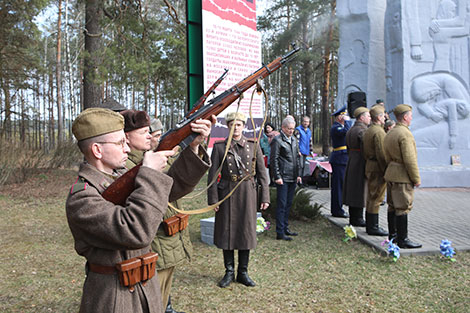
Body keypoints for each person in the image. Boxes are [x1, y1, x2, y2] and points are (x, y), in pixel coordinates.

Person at [66, 108, 212, 313]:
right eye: (119, 143)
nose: (127, 148)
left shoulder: (122, 176)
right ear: (97, 150)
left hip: (147, 290)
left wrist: (193, 148)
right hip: (113, 298)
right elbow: (136, 231)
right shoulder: (82, 197)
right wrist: (150, 174)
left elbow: (170, 190)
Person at [120, 110, 193, 313]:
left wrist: (193, 145)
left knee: (160, 302)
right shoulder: (127, 166)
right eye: (143, 131)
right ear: (126, 136)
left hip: (167, 244)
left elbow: (175, 183)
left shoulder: (149, 157)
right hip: (154, 247)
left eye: (149, 131)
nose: (150, 135)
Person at [207, 111, 270, 288]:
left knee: (245, 231)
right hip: (226, 192)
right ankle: (229, 272)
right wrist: (213, 199)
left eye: (239, 125)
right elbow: (212, 176)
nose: (236, 128)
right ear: (227, 127)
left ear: (244, 126)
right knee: (227, 231)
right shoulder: (220, 148)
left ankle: (243, 272)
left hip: (247, 193)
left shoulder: (253, 145)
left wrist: (264, 196)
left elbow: (262, 174)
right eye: (232, 125)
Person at [384, 104, 422, 249]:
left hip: (391, 173)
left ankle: (392, 236)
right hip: (402, 176)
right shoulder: (405, 134)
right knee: (403, 207)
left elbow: (386, 154)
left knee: (392, 206)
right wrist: (416, 178)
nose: (411, 118)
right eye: (410, 116)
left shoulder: (391, 132)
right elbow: (409, 159)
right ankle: (403, 239)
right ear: (405, 117)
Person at [270, 116, 302, 241]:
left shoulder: (294, 139)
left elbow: (296, 158)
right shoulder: (277, 141)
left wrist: (298, 174)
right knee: (282, 205)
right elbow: (274, 160)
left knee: (288, 204)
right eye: (289, 129)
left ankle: (285, 228)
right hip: (282, 177)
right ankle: (280, 231)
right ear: (283, 128)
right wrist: (277, 176)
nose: (291, 131)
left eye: (293, 129)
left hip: (292, 176)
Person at [362, 106, 388, 236]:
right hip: (377, 167)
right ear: (378, 117)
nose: (384, 118)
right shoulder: (379, 132)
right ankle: (373, 226)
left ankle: (370, 224)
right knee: (376, 197)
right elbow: (382, 154)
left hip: (370, 165)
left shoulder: (369, 130)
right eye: (383, 115)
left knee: (371, 196)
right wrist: (386, 171)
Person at [343, 106, 371, 227]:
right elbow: (366, 149)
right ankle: (358, 217)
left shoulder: (351, 129)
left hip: (351, 160)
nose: (370, 118)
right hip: (360, 161)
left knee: (352, 190)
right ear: (362, 117)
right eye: (368, 116)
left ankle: (353, 216)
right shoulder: (362, 131)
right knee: (360, 190)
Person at [329, 106, 352, 218]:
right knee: (338, 186)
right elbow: (347, 131)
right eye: (344, 115)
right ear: (339, 117)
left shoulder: (340, 126)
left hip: (342, 158)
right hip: (339, 159)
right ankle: (337, 210)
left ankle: (338, 208)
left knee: (340, 186)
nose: (346, 117)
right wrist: (347, 121)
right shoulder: (336, 127)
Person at [295, 116, 313, 183]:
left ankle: (302, 180)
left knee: (303, 166)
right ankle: (298, 181)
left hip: (306, 150)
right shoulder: (298, 130)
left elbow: (310, 141)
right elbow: (297, 141)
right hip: (300, 151)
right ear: (302, 122)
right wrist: (298, 151)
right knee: (300, 166)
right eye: (304, 121)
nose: (306, 123)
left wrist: (311, 151)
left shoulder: (309, 131)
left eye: (307, 122)